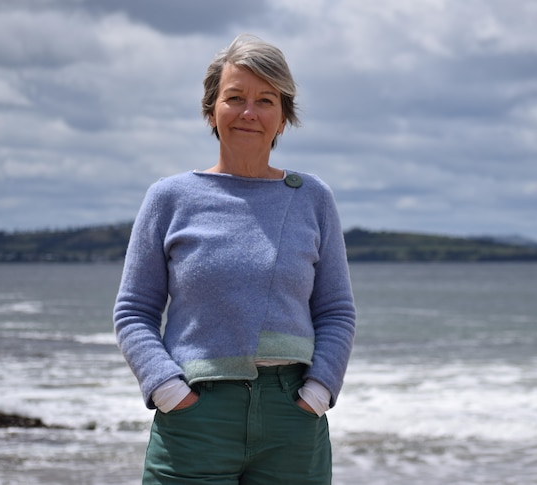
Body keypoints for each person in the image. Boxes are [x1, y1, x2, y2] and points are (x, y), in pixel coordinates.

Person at [113, 34, 356, 485]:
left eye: (266, 100)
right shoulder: (170, 198)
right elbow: (133, 311)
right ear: (211, 110)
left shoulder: (314, 198)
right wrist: (168, 391)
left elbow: (336, 310)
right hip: (195, 417)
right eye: (235, 98)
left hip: (293, 418)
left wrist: (318, 392)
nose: (250, 112)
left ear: (283, 118)